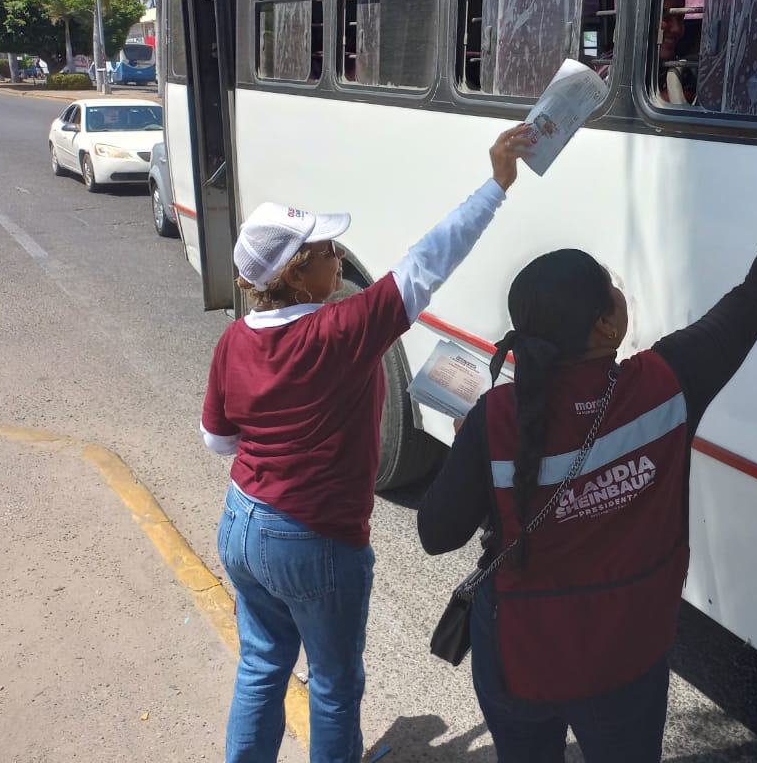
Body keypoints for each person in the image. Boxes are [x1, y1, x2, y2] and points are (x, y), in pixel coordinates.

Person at [417, 108, 757, 761]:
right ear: (602, 326)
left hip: (520, 657)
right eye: (614, 291)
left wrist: (474, 455)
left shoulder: (495, 418)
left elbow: (436, 535)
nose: (622, 295)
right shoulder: (669, 383)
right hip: (627, 657)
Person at [201, 125, 532, 763]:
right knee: (332, 684)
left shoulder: (235, 341)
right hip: (315, 539)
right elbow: (429, 261)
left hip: (242, 521)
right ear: (300, 275)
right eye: (327, 249)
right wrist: (496, 184)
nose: (339, 257)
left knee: (262, 667)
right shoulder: (339, 331)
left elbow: (219, 441)